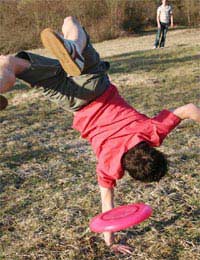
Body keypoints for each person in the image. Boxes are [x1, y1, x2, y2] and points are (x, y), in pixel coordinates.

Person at [0, 17, 199, 255]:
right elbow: (108, 207)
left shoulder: (151, 132)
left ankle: (73, 47)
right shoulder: (110, 166)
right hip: (73, 100)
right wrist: (111, 241)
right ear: (130, 172)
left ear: (153, 150)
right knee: (12, 62)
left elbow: (188, 109)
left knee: (71, 22)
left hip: (94, 83)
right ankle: (62, 53)